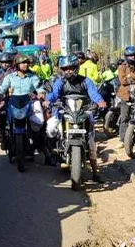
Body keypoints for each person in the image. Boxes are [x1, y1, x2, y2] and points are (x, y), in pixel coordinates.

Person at [45, 54, 107, 183]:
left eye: (70, 68)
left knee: (91, 143)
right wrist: (48, 100)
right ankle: (53, 152)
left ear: (76, 67)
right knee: (50, 128)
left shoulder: (86, 81)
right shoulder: (60, 82)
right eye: (65, 68)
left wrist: (100, 101)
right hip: (64, 111)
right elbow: (54, 94)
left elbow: (93, 93)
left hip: (83, 112)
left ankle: (95, 173)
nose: (68, 71)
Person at [117, 45, 135, 146]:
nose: (133, 57)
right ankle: (122, 139)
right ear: (126, 56)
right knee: (124, 117)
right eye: (130, 55)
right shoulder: (122, 67)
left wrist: (130, 76)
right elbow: (123, 81)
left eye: (134, 55)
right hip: (125, 95)